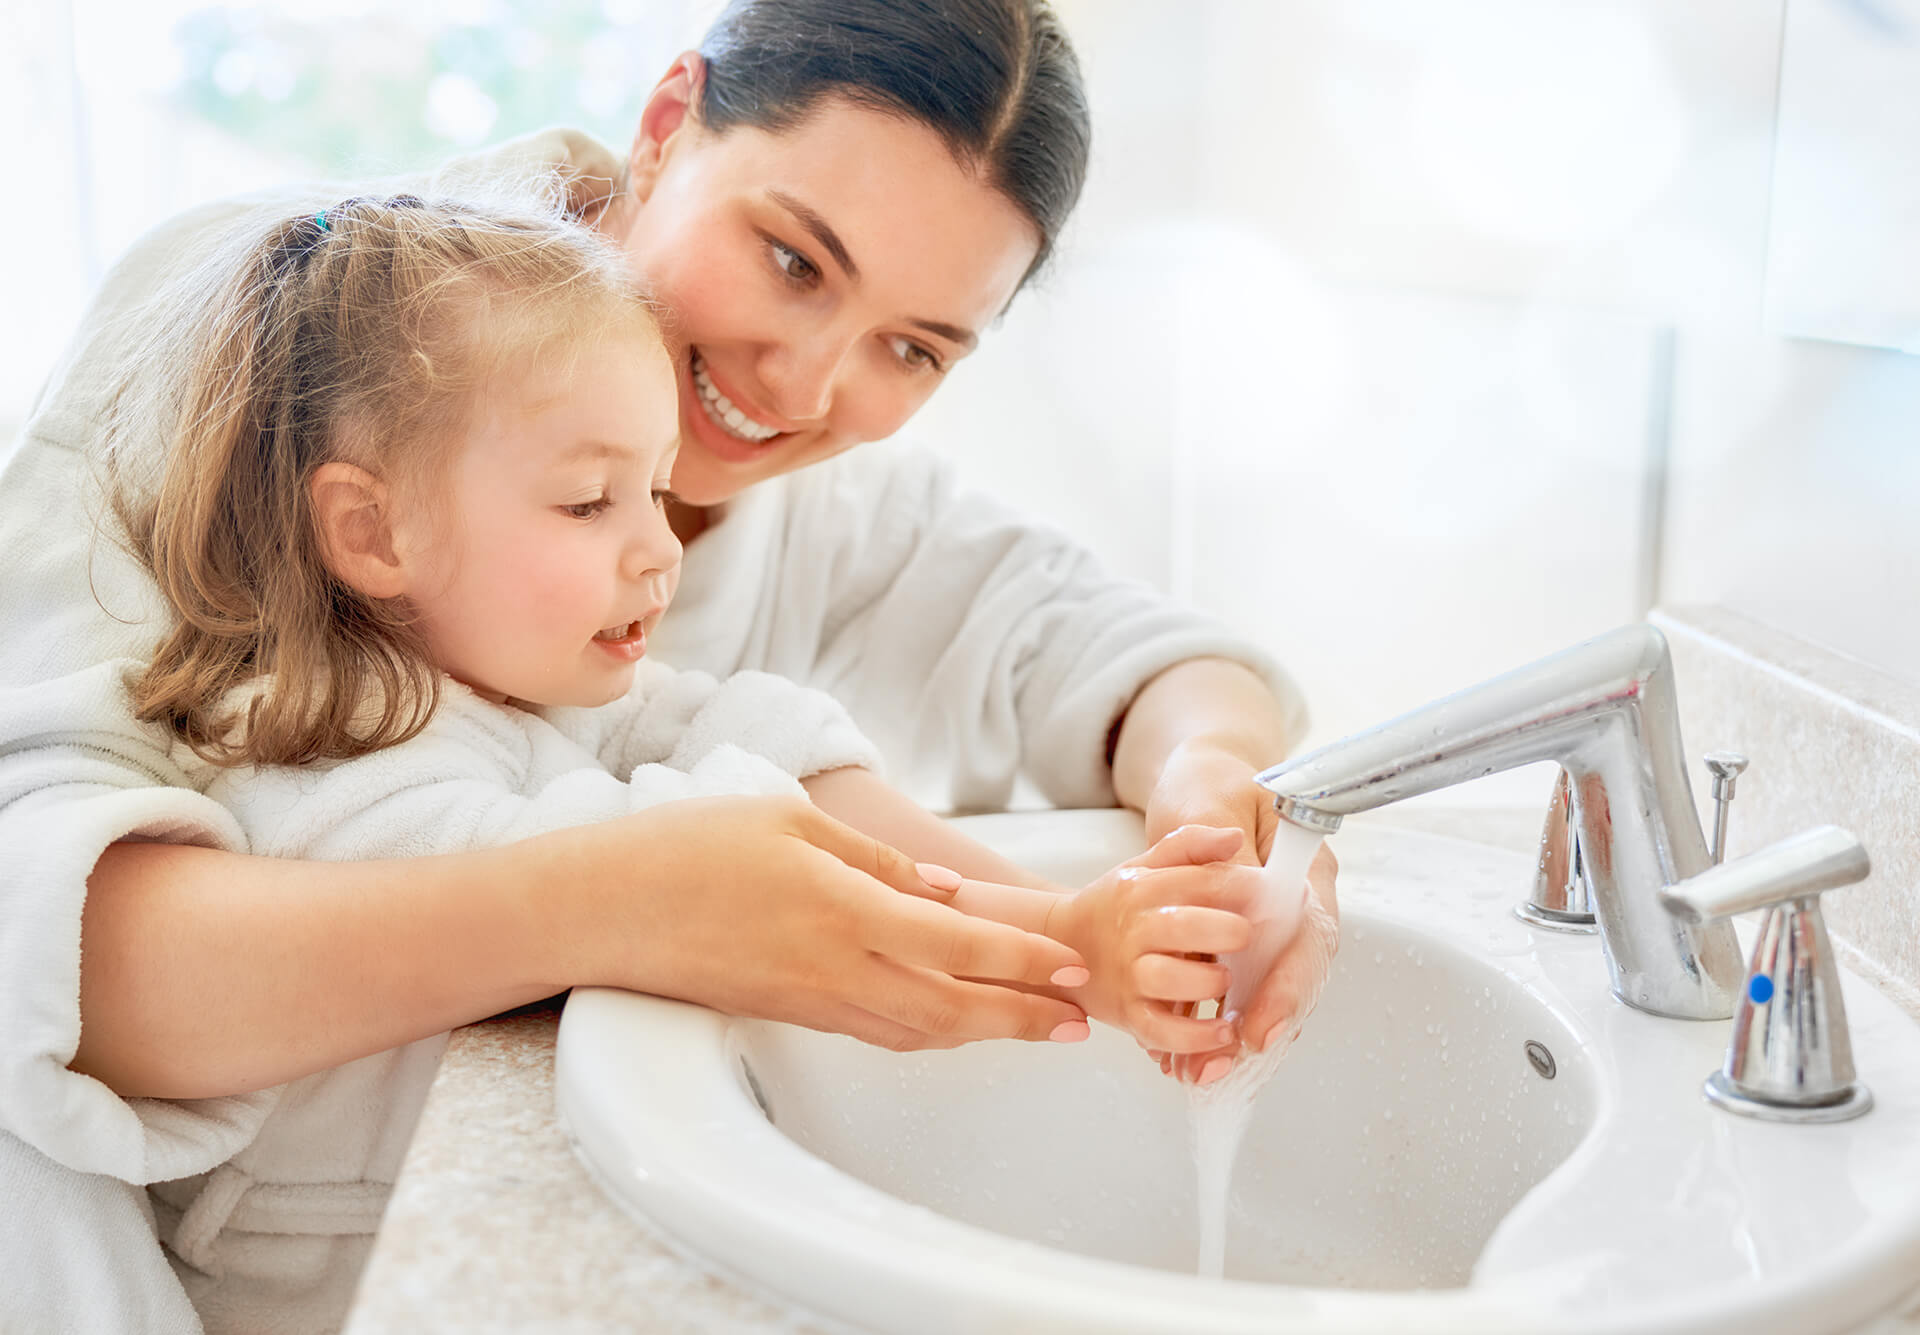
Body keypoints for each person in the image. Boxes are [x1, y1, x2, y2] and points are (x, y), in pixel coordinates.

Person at [0, 0, 1336, 1327]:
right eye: (794, 260)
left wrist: (1213, 813)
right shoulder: (265, 343)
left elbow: (1115, 655)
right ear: (662, 124)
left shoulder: (837, 523)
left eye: (913, 349)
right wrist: (602, 901)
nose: (809, 387)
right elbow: (43, 951)